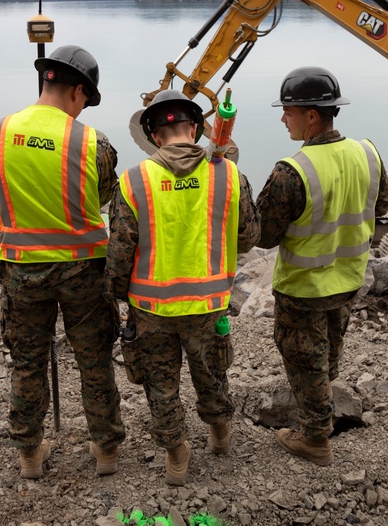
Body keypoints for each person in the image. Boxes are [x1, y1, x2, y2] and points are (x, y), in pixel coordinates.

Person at [0, 44, 125, 480]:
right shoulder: (93, 142)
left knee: (27, 361)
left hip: (20, 270)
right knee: (94, 361)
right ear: (78, 91)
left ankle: (29, 454)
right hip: (84, 271)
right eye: (85, 102)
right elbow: (103, 197)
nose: (82, 111)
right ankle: (106, 450)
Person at [105, 89, 260, 486]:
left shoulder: (134, 180)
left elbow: (120, 251)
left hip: (151, 309)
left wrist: (120, 295)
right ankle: (220, 434)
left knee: (161, 385)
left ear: (155, 136)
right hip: (209, 305)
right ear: (194, 128)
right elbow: (248, 237)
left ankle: (177, 456)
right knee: (211, 374)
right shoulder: (228, 174)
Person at [255, 66, 388, 466]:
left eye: (288, 111)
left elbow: (263, 234)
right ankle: (320, 406)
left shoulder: (292, 170)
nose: (283, 118)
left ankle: (315, 439)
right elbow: (380, 206)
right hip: (348, 278)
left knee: (304, 357)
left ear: (311, 115)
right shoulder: (367, 153)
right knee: (328, 350)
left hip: (304, 287)